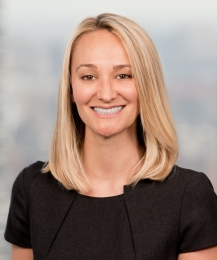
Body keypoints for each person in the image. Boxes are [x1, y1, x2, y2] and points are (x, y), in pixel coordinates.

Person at [4, 13, 217, 260]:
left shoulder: (189, 195)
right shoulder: (32, 190)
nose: (106, 94)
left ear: (147, 86)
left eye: (123, 75)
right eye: (88, 76)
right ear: (71, 89)